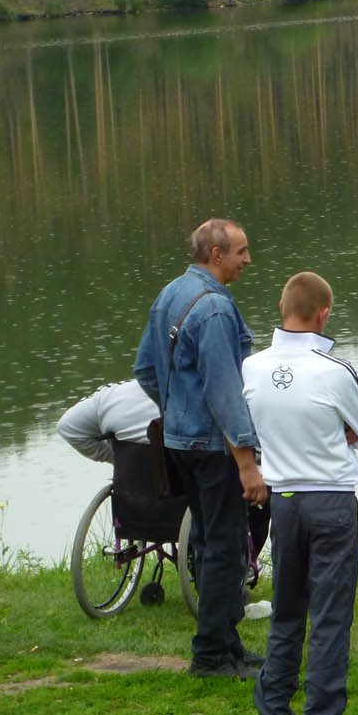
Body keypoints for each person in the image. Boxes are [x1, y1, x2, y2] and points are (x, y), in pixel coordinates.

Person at [242, 271, 358, 715]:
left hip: (285, 503)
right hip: (332, 503)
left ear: (282, 309)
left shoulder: (250, 368)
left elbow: (249, 427)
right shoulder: (334, 370)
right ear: (324, 315)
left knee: (288, 614)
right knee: (330, 619)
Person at [134, 218, 267, 679]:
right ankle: (210, 655)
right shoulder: (214, 310)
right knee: (224, 547)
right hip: (214, 450)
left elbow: (146, 370)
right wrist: (247, 463)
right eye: (241, 252)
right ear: (216, 255)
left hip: (180, 443)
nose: (248, 260)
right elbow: (225, 391)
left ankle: (229, 645)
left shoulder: (169, 294)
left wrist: (178, 412)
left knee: (212, 541)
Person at [57, 380, 158, 464]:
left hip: (134, 479)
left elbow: (67, 427)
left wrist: (119, 460)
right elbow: (67, 427)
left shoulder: (113, 393)